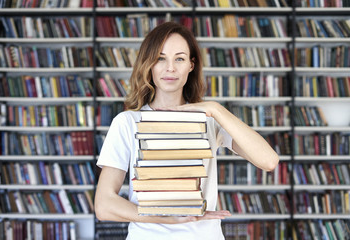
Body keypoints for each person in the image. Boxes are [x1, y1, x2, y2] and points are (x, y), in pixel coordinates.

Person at [94, 21, 279, 240]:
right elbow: (104, 205)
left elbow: (268, 161)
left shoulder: (209, 119)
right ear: (149, 64)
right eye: (160, 58)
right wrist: (165, 218)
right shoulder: (127, 122)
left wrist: (215, 108)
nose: (170, 67)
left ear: (191, 65)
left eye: (179, 58)